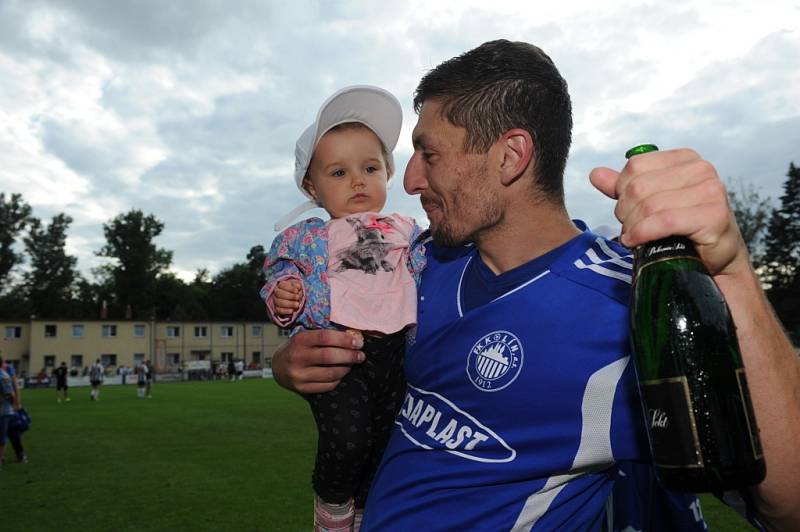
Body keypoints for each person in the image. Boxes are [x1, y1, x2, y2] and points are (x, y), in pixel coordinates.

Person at [271, 40, 800, 531]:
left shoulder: (619, 307)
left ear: (510, 155)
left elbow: (789, 502)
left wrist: (731, 274)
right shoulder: (420, 265)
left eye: (429, 155)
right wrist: (293, 361)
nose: (408, 181)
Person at [261, 85, 426, 531]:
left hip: (396, 356)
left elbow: (436, 270)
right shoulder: (308, 238)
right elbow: (278, 274)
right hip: (340, 352)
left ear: (388, 172)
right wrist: (285, 292)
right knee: (347, 440)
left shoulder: (410, 230)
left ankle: (365, 513)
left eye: (369, 167)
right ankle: (332, 508)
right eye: (338, 173)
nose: (357, 180)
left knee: (383, 445)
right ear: (312, 188)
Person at [0, 356, 25, 469]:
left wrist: (16, 405)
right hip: (7, 408)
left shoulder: (5, 372)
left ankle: (19, 455)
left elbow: (13, 390)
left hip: (6, 409)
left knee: (10, 434)